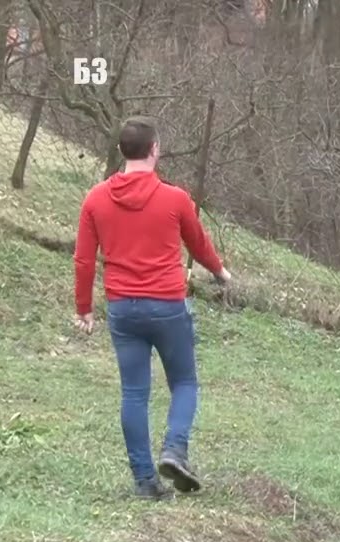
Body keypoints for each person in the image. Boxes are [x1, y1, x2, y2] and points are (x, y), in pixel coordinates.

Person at [73, 116, 232, 499]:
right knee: (184, 382)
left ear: (121, 151)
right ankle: (175, 450)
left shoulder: (95, 199)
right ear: (155, 149)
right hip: (167, 306)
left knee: (133, 393)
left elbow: (83, 259)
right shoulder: (175, 199)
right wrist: (220, 272)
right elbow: (198, 244)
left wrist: (84, 308)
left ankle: (146, 482)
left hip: (123, 310)